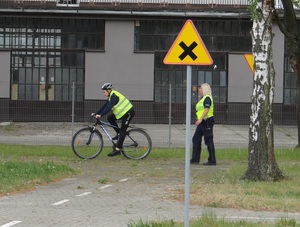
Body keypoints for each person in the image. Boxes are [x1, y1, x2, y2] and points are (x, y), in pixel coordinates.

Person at [92, 83, 135, 157]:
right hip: (123, 113)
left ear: (109, 90)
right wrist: (96, 113)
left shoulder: (114, 96)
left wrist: (101, 115)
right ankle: (118, 134)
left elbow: (108, 107)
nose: (103, 93)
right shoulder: (110, 96)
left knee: (123, 131)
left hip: (128, 113)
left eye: (104, 92)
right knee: (110, 118)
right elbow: (104, 106)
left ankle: (118, 149)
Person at [190, 83, 217, 165]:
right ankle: (195, 159)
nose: (199, 89)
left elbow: (206, 109)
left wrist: (200, 119)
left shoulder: (207, 98)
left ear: (205, 89)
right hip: (202, 121)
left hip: (207, 121)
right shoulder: (203, 98)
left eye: (201, 88)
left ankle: (212, 160)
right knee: (196, 139)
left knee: (208, 140)